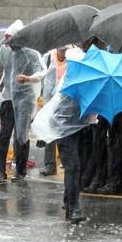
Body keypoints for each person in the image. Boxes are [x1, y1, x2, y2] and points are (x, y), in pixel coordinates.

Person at [31, 47, 93, 224]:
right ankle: (73, 209)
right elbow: (60, 106)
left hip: (81, 127)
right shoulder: (69, 81)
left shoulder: (85, 79)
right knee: (73, 167)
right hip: (64, 130)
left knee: (78, 168)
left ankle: (70, 202)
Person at [0, 20, 45, 183]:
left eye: (10, 40)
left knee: (21, 134)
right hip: (8, 97)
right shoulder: (4, 51)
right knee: (5, 133)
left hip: (25, 99)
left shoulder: (31, 54)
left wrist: (29, 79)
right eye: (6, 39)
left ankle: (20, 171)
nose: (7, 43)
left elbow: (42, 72)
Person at [39, 46, 69, 176]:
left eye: (65, 49)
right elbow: (40, 76)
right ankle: (50, 165)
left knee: (65, 133)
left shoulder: (72, 58)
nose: (63, 52)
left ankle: (66, 162)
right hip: (49, 102)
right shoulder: (48, 58)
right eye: (61, 49)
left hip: (65, 102)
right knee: (50, 133)